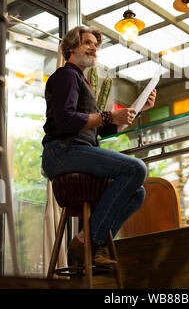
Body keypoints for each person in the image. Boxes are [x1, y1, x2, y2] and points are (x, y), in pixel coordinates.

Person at [41, 26, 156, 267]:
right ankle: (90, 243)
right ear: (71, 47)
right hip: (62, 152)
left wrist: (138, 109)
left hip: (75, 151)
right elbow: (66, 121)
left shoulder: (82, 81)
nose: (94, 47)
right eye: (88, 43)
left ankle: (87, 242)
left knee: (137, 193)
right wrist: (107, 116)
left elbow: (101, 130)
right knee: (136, 169)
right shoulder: (66, 76)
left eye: (96, 44)